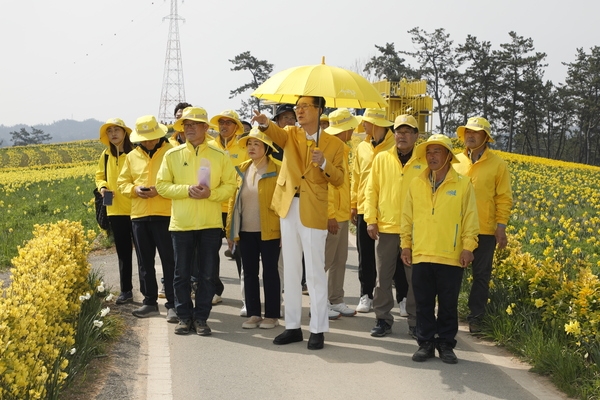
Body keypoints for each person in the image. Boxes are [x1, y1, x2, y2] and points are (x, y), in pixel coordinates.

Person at [252, 96, 345, 350]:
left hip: (313, 209)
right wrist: (263, 123)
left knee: (314, 272)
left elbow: (338, 179)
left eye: (305, 107)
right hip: (287, 206)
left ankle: (317, 329)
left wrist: (323, 162)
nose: (299, 111)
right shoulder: (291, 134)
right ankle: (292, 326)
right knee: (291, 269)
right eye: (297, 107)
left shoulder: (334, 144)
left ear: (320, 110)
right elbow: (274, 132)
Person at [156, 107, 236, 336]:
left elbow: (230, 186)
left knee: (208, 274)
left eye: (194, 124)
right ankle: (183, 317)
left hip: (210, 224)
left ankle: (201, 318)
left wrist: (210, 194)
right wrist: (186, 190)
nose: (189, 128)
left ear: (205, 128)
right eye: (186, 125)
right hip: (181, 224)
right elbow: (162, 185)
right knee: (180, 274)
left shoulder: (219, 155)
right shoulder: (172, 155)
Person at [400, 134, 479, 364]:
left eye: (437, 152)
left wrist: (468, 247)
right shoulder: (416, 183)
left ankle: (445, 344)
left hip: (451, 255)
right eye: (429, 152)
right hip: (422, 252)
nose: (432, 156)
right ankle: (425, 343)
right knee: (423, 303)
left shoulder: (463, 184)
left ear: (448, 156)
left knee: (448, 303)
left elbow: (470, 219)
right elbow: (407, 217)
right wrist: (406, 244)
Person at [364, 115, 425, 338]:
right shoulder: (382, 158)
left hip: (415, 229)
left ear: (417, 136)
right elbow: (372, 190)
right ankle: (382, 319)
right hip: (387, 227)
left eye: (408, 131)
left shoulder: (424, 161)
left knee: (414, 279)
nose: (402, 135)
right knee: (383, 278)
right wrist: (371, 219)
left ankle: (415, 322)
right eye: (399, 131)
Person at [454, 116, 513, 334]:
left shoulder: (498, 165)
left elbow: (504, 198)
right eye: (467, 132)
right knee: (452, 272)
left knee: (481, 276)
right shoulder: (455, 161)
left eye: (475, 133)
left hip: (484, 229)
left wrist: (501, 227)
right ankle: (448, 313)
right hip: (456, 227)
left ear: (485, 138)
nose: (469, 135)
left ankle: (476, 318)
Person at [117, 115, 176, 323]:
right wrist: (135, 189)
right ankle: (149, 302)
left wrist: (158, 191)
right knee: (144, 262)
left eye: (151, 138)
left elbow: (179, 181)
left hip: (165, 214)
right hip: (139, 215)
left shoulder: (171, 152)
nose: (148, 142)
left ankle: (173, 303)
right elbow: (122, 182)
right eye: (144, 138)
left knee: (170, 261)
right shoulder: (132, 156)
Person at [226, 128, 282, 329]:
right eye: (249, 144)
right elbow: (234, 202)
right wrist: (231, 231)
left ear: (266, 148)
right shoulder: (242, 168)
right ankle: (254, 313)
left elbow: (284, 202)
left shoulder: (278, 169)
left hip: (270, 230)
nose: (251, 147)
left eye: (256, 144)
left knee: (270, 272)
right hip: (245, 231)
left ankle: (272, 315)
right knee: (248, 272)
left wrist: (285, 231)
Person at [350, 109, 396, 313]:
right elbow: (356, 177)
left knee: (392, 254)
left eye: (366, 122)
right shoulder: (361, 147)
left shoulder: (396, 145)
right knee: (365, 254)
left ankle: (401, 296)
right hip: (364, 206)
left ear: (376, 123)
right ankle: (366, 294)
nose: (364, 126)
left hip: (388, 207)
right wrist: (353, 203)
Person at [208, 109, 248, 306]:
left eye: (229, 123)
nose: (224, 126)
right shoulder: (208, 147)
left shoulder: (244, 148)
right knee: (211, 251)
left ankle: (247, 294)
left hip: (237, 207)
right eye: (221, 122)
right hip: (214, 205)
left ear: (237, 127)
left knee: (241, 252)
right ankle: (215, 290)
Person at [95, 118, 137, 305]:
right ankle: (126, 290)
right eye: (110, 131)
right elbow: (99, 176)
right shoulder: (105, 155)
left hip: (137, 209)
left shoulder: (135, 153)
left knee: (144, 254)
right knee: (123, 252)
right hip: (115, 211)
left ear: (125, 132)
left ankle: (149, 292)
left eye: (117, 130)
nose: (113, 134)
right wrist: (103, 187)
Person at [323, 108, 358, 318]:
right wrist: (330, 215)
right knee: (324, 261)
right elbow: (324, 186)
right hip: (333, 216)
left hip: (342, 214)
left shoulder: (343, 150)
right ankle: (320, 303)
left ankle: (335, 299)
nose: (353, 131)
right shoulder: (330, 151)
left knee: (339, 260)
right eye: (350, 127)